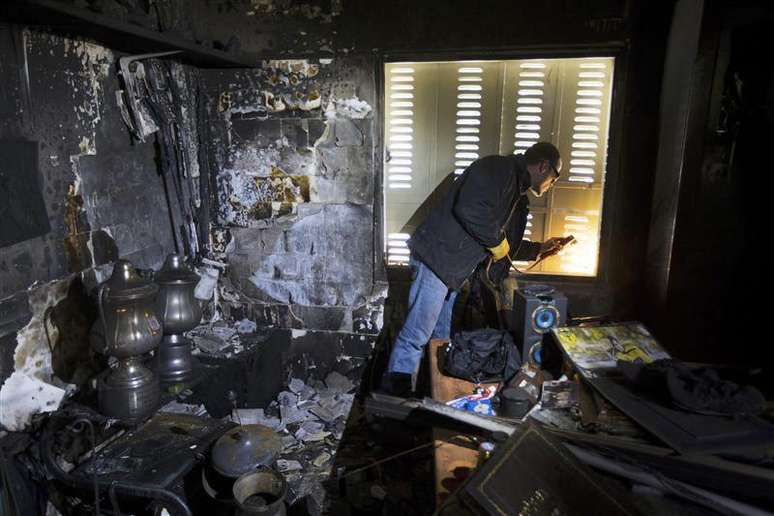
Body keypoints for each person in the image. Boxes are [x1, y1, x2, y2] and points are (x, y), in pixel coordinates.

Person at [382, 142, 565, 396]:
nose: (551, 185)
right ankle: (395, 396)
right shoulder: (497, 169)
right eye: (553, 178)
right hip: (438, 259)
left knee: (440, 338)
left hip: (452, 270)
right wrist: (497, 242)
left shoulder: (516, 194)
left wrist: (540, 249)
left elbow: (505, 246)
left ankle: (430, 393)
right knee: (417, 333)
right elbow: (470, 209)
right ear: (543, 166)